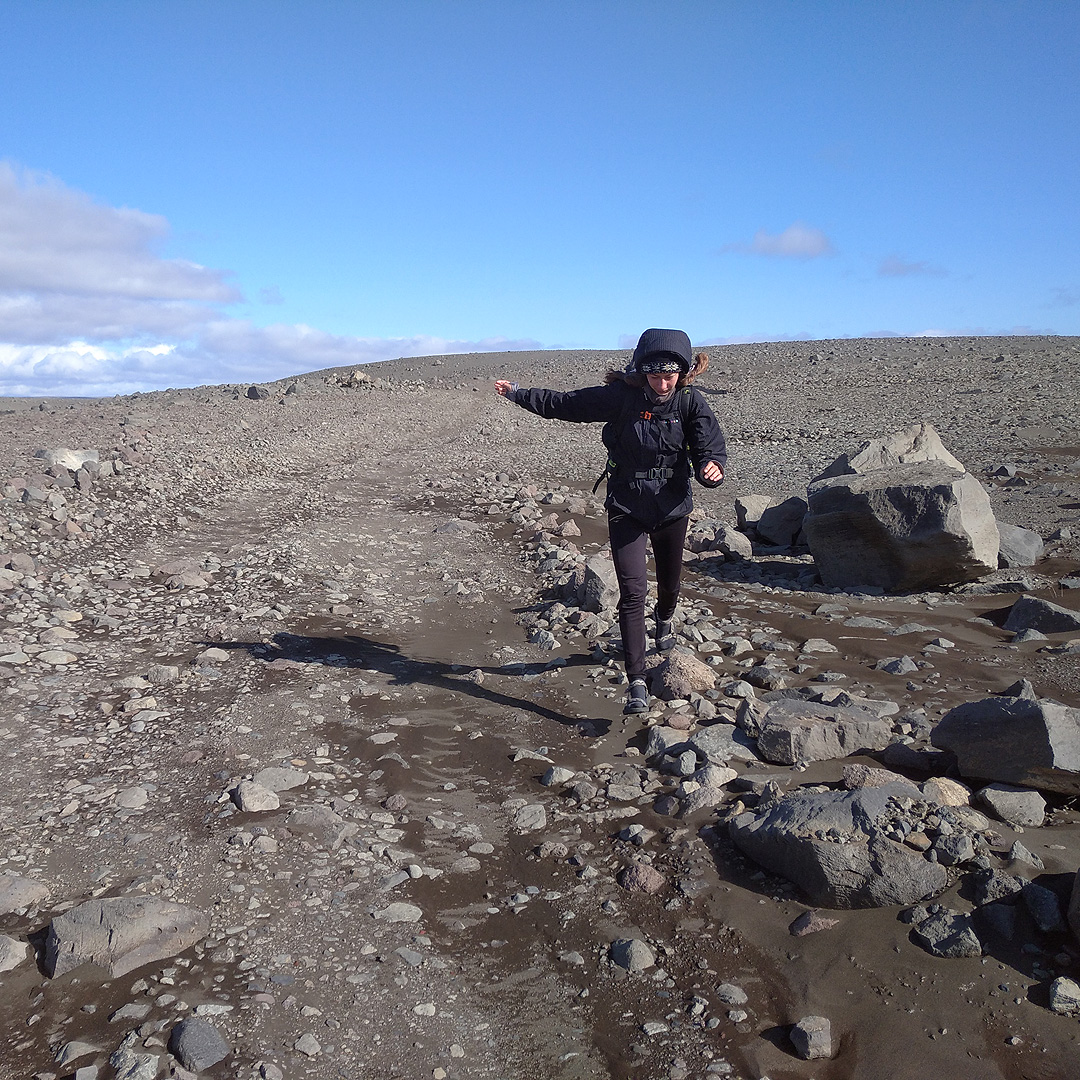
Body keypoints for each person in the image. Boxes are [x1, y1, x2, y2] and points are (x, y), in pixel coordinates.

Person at [495, 328, 726, 714]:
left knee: (669, 584)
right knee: (633, 592)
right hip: (626, 505)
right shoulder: (622, 396)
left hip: (671, 506)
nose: (663, 383)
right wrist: (519, 393)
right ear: (641, 370)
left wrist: (711, 466)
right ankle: (636, 680)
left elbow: (709, 444)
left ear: (683, 373)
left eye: (670, 375)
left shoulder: (689, 400)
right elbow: (566, 405)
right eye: (655, 375)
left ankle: (665, 618)